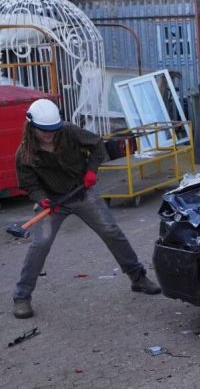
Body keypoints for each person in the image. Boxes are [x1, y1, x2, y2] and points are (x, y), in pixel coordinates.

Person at [11, 99, 160, 319]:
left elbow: (98, 144)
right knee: (40, 243)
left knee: (111, 231)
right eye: (44, 131)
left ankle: (138, 277)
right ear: (32, 127)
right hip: (53, 202)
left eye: (53, 130)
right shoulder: (24, 154)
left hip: (82, 192)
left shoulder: (69, 131)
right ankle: (22, 297)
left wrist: (91, 171)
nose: (49, 135)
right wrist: (42, 200)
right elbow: (29, 184)